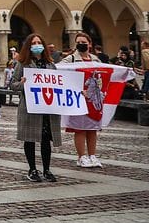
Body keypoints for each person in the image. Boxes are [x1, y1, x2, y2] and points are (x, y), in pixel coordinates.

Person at [8, 33, 61, 182]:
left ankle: (47, 169)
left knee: (46, 140)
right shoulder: (23, 63)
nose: (37, 45)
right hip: (30, 108)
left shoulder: (50, 64)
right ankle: (32, 169)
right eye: (34, 43)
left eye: (39, 42)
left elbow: (59, 84)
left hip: (47, 108)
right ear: (28, 46)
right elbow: (13, 85)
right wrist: (23, 83)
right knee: (30, 139)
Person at [61, 32, 104, 167]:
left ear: (89, 44)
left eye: (84, 42)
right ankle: (81, 157)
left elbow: (103, 76)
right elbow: (59, 70)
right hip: (78, 98)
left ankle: (92, 155)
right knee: (80, 128)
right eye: (78, 42)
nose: (81, 44)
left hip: (93, 99)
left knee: (92, 128)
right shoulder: (70, 59)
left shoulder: (96, 60)